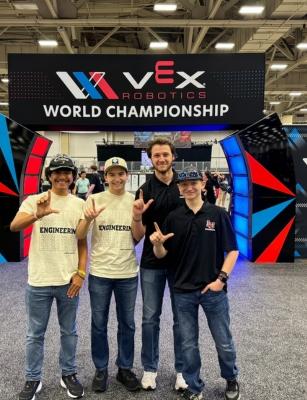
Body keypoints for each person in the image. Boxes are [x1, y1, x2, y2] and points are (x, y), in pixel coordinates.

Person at [150, 165, 240, 400]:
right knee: (188, 344)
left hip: (213, 290)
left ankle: (231, 377)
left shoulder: (217, 214)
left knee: (223, 340)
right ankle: (194, 386)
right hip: (182, 291)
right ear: (179, 188)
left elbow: (232, 251)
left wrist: (221, 280)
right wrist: (157, 244)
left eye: (193, 183)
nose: (189, 187)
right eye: (184, 184)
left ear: (202, 184)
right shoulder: (173, 217)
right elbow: (162, 255)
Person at [10, 154, 88, 400]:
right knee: (35, 333)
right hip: (39, 280)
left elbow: (82, 243)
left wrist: (81, 273)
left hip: (68, 281)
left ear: (73, 176)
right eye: (57, 172)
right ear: (49, 176)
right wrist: (37, 214)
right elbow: (14, 226)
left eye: (67, 172)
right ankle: (33, 378)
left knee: (69, 331)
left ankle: (68, 374)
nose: (62, 176)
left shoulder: (79, 204)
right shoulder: (35, 200)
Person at [75, 157, 142, 393]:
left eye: (121, 174)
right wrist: (88, 219)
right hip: (100, 272)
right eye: (112, 174)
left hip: (127, 272)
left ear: (127, 175)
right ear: (105, 177)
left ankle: (124, 368)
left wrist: (137, 216)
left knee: (128, 324)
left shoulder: (134, 201)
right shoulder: (94, 200)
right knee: (98, 323)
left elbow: (137, 238)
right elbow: (80, 234)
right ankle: (101, 368)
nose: (117, 178)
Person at [131, 137, 187, 392]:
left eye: (165, 154)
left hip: (182, 263)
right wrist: (137, 216)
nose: (161, 159)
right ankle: (150, 369)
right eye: (156, 155)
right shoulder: (144, 190)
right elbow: (137, 236)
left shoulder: (185, 185)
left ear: (173, 156)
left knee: (182, 318)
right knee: (150, 318)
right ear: (150, 159)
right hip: (151, 263)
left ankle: (182, 371)